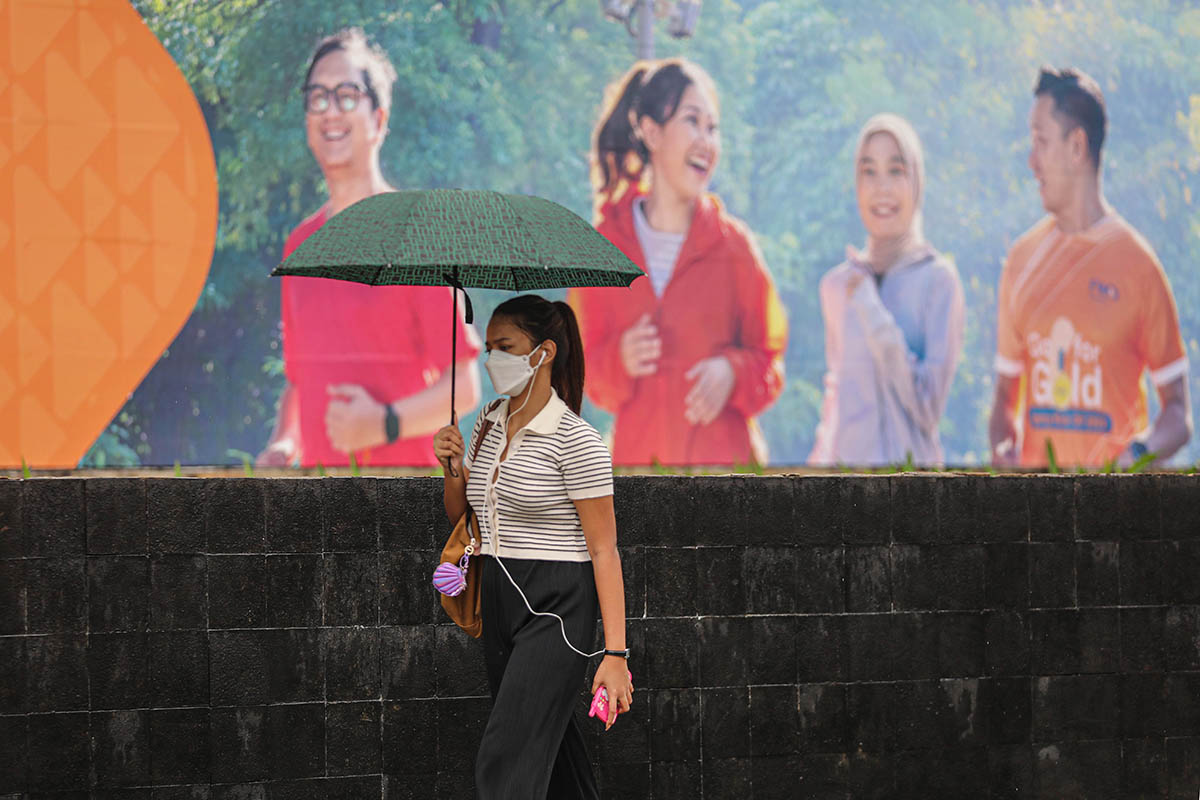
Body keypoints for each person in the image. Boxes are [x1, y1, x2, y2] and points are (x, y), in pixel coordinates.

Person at [433, 295, 632, 799]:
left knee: (507, 755)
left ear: (542, 352)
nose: (490, 357)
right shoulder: (488, 423)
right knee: (552, 751)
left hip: (557, 609)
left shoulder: (577, 441)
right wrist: (453, 468)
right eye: (488, 346)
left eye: (505, 346)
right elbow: (466, 517)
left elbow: (605, 552)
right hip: (499, 597)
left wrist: (615, 655)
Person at [257, 28, 480, 468]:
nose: (330, 110)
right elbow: (301, 383)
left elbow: (465, 386)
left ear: (378, 119)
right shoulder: (299, 247)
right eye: (317, 97)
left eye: (346, 94)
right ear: (307, 123)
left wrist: (384, 423)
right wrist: (284, 443)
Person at [569, 59, 788, 466]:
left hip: (725, 490)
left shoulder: (734, 248)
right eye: (693, 121)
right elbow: (583, 370)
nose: (706, 140)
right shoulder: (603, 249)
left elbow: (769, 362)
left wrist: (732, 373)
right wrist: (621, 359)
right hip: (643, 482)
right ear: (651, 132)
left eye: (713, 127)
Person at [989, 67, 1191, 468]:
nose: (1031, 161)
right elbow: (1003, 401)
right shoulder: (1021, 260)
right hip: (1036, 521)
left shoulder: (1139, 265)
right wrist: (1001, 451)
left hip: (1114, 522)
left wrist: (1135, 454)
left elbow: (1178, 414)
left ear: (1077, 146)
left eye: (1040, 142)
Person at [809, 114, 966, 467]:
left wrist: (872, 310)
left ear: (916, 182)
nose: (882, 188)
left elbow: (927, 407)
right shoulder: (837, 286)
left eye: (896, 171)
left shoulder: (939, 281)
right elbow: (836, 398)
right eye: (869, 172)